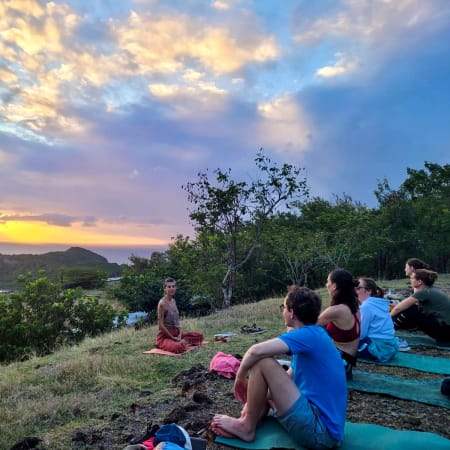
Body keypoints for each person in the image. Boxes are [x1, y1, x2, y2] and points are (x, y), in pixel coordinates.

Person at [211, 286, 346, 450]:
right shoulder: (315, 335)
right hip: (322, 430)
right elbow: (286, 380)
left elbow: (255, 351)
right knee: (267, 379)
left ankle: (246, 427)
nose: (282, 311)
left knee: (263, 362)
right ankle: (250, 420)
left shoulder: (308, 335)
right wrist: (252, 401)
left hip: (320, 433)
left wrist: (240, 378)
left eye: (283, 307)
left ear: (292, 313)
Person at [317, 268, 360, 379]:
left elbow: (307, 326)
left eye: (328, 282)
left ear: (334, 286)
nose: (326, 285)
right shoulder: (354, 305)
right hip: (348, 362)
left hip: (341, 364)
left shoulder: (337, 310)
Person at [391, 269, 450, 342]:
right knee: (411, 311)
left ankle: (386, 331)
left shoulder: (424, 292)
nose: (410, 280)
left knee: (411, 309)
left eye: (412, 278)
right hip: (445, 330)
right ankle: (390, 328)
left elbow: (398, 308)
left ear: (419, 282)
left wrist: (387, 318)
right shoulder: (431, 290)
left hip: (444, 333)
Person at [155, 277, 204, 353]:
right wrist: (172, 338)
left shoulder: (174, 301)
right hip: (165, 336)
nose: (172, 288)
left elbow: (177, 322)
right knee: (179, 347)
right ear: (165, 289)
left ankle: (181, 342)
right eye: (169, 287)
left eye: (173, 286)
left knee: (199, 336)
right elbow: (160, 326)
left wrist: (180, 334)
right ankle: (167, 344)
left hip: (176, 334)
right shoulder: (162, 303)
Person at [356, 277, 398, 362]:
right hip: (390, 346)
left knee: (344, 345)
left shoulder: (366, 306)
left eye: (358, 288)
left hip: (377, 348)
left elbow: (362, 334)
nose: (355, 291)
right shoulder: (379, 303)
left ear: (368, 291)